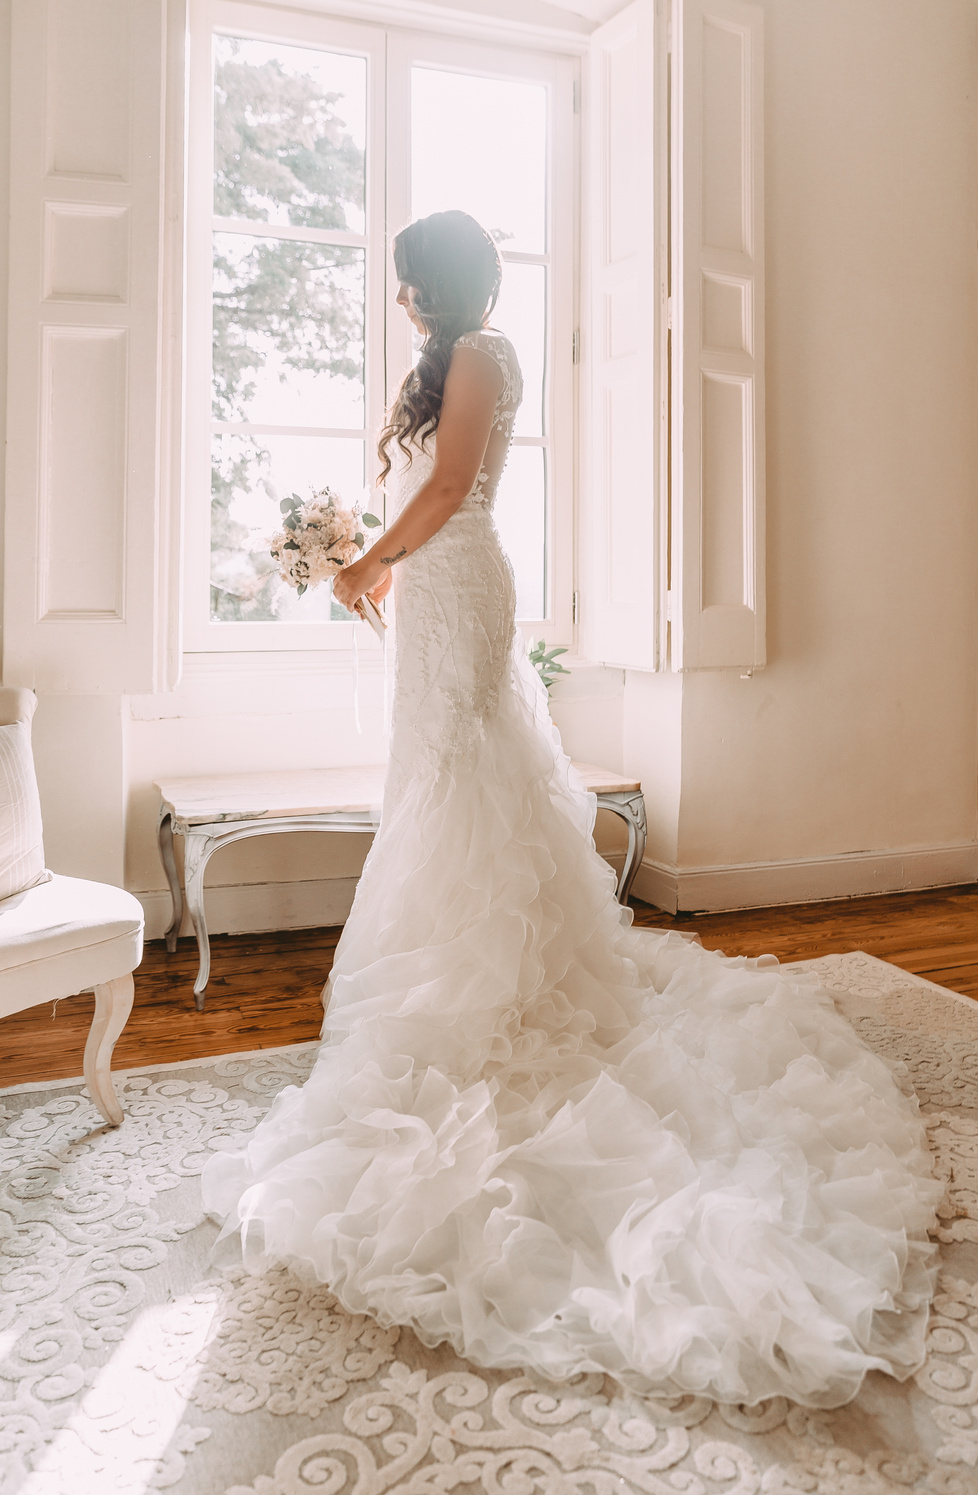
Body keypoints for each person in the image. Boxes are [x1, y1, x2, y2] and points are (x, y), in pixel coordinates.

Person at [202, 209, 940, 1410]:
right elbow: (418, 483)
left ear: (436, 280)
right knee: (436, 778)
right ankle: (458, 980)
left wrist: (367, 562)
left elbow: (450, 486)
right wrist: (363, 553)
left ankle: (499, 989)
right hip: (428, 593)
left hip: (460, 587)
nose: (393, 291)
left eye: (402, 274)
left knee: (461, 770)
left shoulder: (485, 353)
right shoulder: (434, 365)